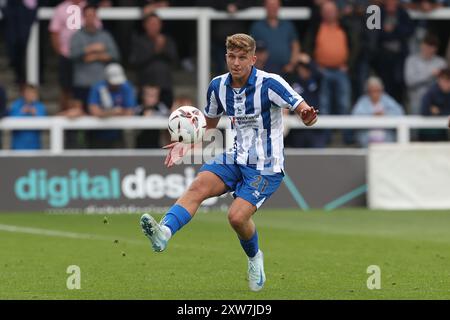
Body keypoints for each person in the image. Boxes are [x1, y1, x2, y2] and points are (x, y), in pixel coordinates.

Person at [139, 33, 318, 292]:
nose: (236, 63)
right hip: (235, 156)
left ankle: (255, 258)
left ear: (253, 59)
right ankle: (163, 234)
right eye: (232, 57)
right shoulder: (218, 86)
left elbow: (302, 109)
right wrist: (184, 143)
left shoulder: (271, 84)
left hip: (266, 166)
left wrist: (307, 115)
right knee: (198, 186)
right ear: (226, 57)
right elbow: (208, 125)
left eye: (242, 58)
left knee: (236, 217)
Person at [129, 13, 178, 109]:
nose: (154, 27)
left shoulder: (167, 40)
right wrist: (155, 50)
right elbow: (134, 61)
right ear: (145, 25)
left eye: (156, 24)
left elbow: (175, 60)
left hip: (165, 86)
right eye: (151, 24)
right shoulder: (139, 41)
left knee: (166, 115)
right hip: (145, 87)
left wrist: (163, 49)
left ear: (160, 25)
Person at [87, 63, 137, 148]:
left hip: (118, 134)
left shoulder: (126, 86)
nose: (116, 85)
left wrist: (105, 113)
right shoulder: (98, 87)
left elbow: (129, 112)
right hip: (97, 134)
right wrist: (115, 112)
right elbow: (94, 111)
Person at [249, 0, 300, 74]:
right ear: (265, 7)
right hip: (264, 71)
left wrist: (292, 64)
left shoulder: (288, 26)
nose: (272, 8)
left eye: (275, 5)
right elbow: (250, 49)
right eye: (270, 5)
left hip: (285, 71)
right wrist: (257, 64)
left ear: (279, 7)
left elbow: (295, 46)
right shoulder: (257, 27)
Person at [351, 76, 404, 147]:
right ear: (368, 91)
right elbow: (355, 116)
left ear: (381, 90)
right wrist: (372, 116)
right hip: (367, 137)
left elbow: (399, 112)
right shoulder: (363, 101)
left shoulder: (387, 99)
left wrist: (385, 115)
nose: (375, 94)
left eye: (378, 91)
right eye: (372, 91)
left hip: (386, 136)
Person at [404, 34, 447, 114]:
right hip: (417, 100)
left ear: (435, 49)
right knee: (415, 125)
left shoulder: (441, 63)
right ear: (421, 45)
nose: (427, 49)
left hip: (437, 101)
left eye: (431, 47)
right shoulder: (412, 60)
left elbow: (446, 85)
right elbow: (410, 82)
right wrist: (430, 74)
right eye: (426, 46)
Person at [8, 84, 47, 150]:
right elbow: (10, 120)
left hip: (34, 146)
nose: (30, 95)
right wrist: (22, 112)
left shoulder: (40, 106)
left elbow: (45, 123)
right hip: (18, 146)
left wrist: (35, 113)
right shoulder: (16, 105)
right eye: (28, 92)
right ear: (23, 93)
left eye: (33, 92)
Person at [419, 67, 450, 141]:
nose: (445, 83)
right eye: (443, 80)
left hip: (444, 132)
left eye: (447, 80)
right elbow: (424, 111)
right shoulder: (431, 91)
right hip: (428, 132)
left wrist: (439, 111)